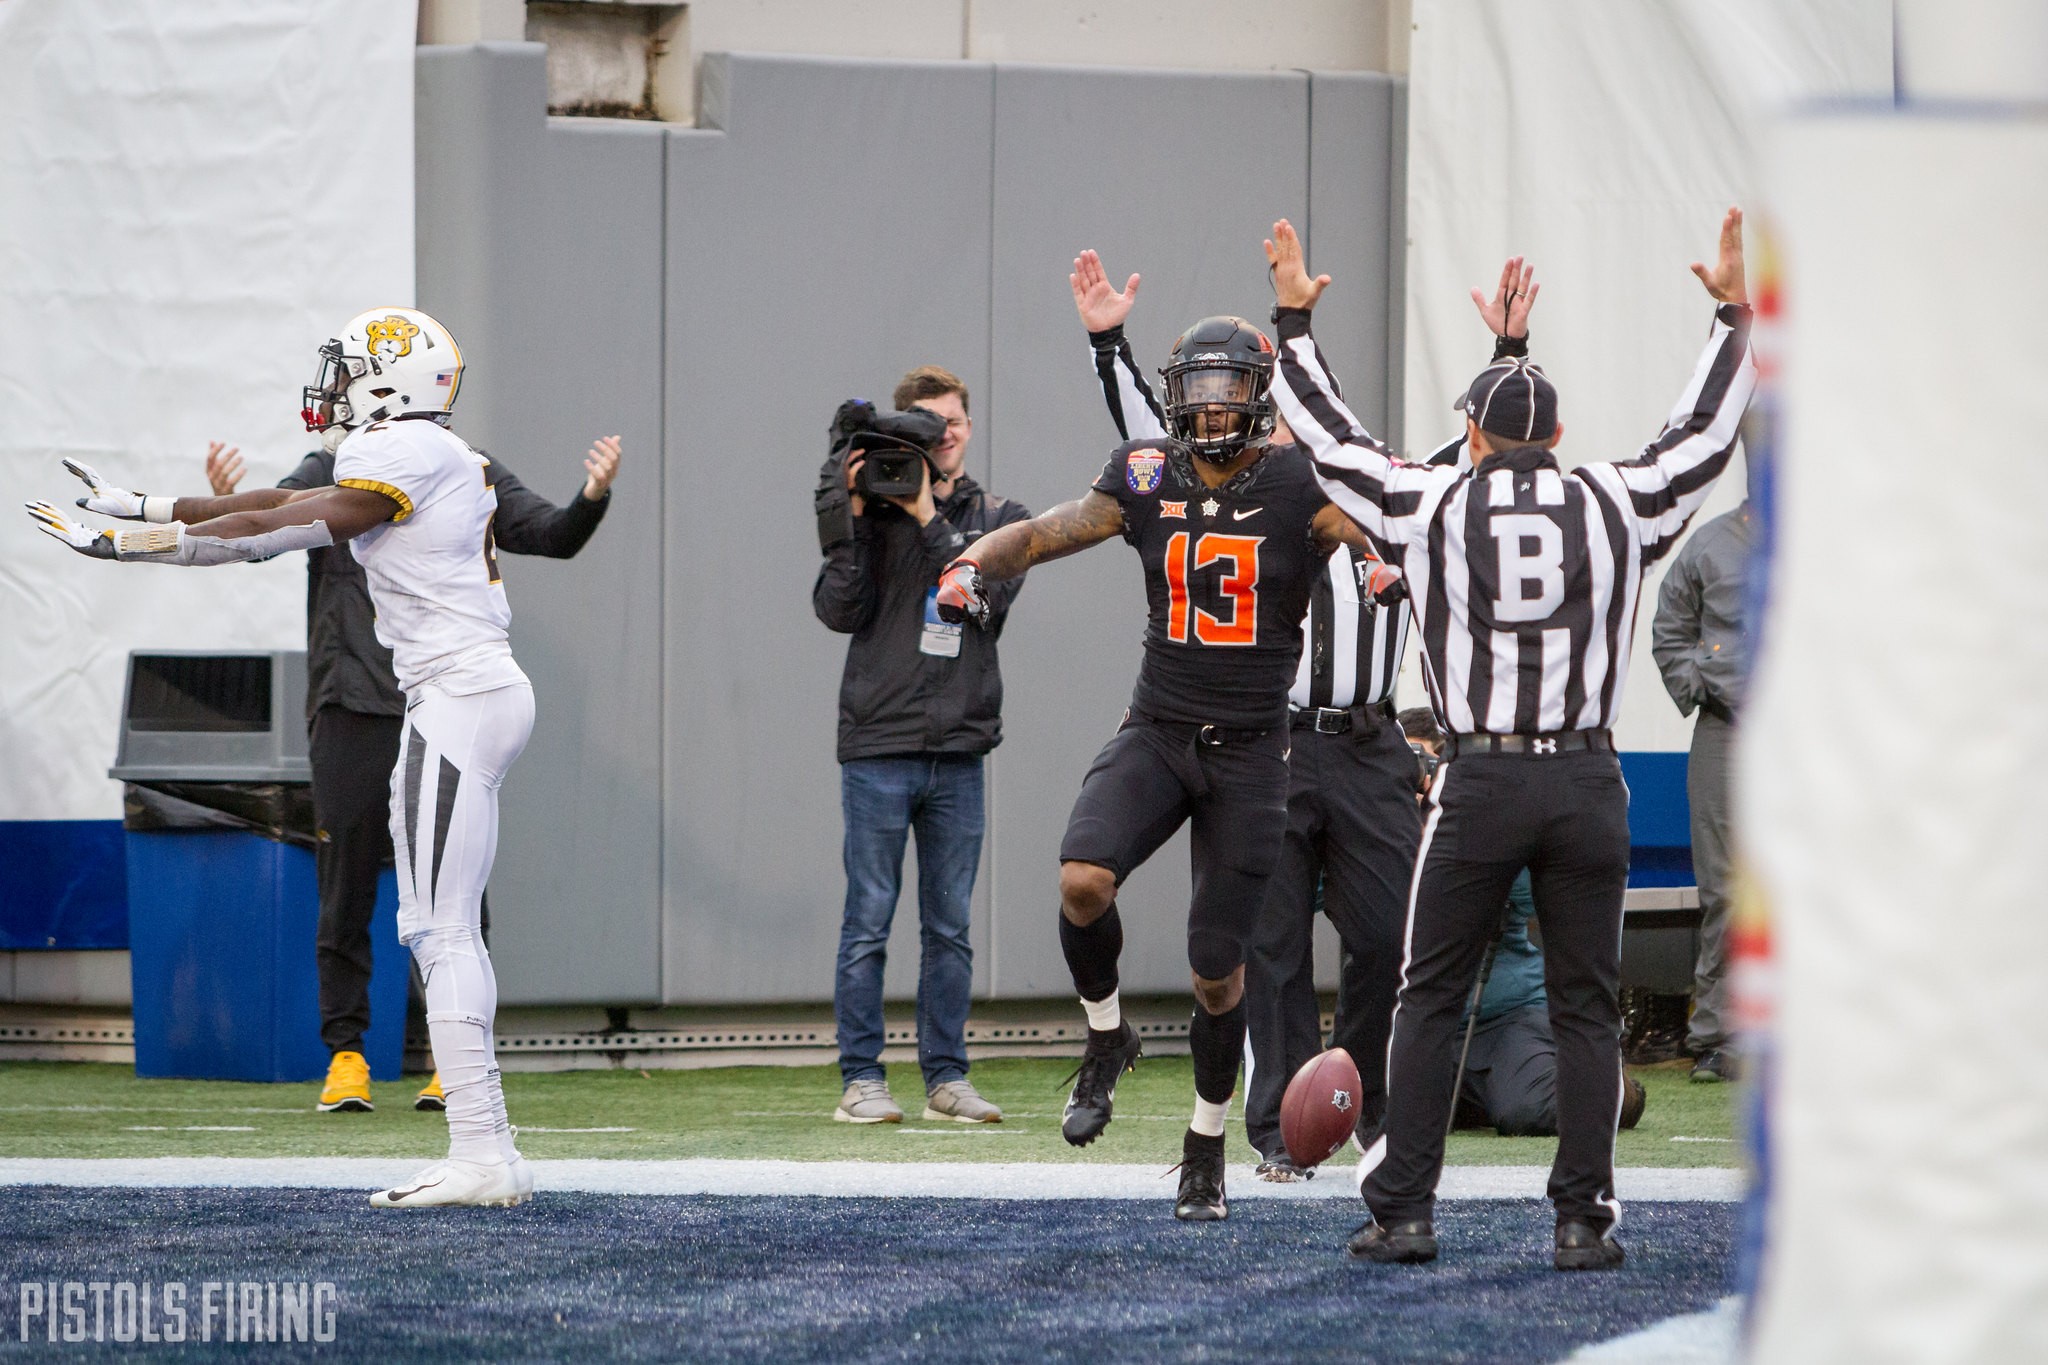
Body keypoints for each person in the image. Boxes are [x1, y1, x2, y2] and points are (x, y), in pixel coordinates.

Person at [1266, 209, 1753, 1269]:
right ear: (1559, 436)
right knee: (1585, 1006)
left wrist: (1294, 325)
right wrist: (1730, 318)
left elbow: (1331, 444)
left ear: (1476, 439)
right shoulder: (1611, 503)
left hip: (1480, 778)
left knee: (1430, 995)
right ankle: (1581, 1220)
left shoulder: (1435, 503)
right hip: (1584, 777)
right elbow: (1703, 441)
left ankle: (1404, 1210)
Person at [30, 306, 565, 1209]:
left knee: (439, 929)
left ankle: (482, 1153)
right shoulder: (431, 450)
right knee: (442, 926)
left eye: (349, 371)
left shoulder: (401, 451)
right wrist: (151, 504)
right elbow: (278, 505)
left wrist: (135, 545)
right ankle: (489, 1151)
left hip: (458, 696)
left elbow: (277, 530)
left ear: (389, 380)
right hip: (468, 693)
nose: (336, 387)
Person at [935, 293, 1380, 1223]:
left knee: (1217, 972)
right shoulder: (1146, 471)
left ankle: (1205, 1145)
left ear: (1259, 396)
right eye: (1199, 389)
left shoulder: (1301, 482)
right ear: (1176, 396)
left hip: (1252, 752)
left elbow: (1379, 526)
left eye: (1229, 389)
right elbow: (1049, 529)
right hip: (1159, 728)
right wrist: (971, 562)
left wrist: (1392, 561)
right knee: (1082, 878)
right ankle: (1107, 1037)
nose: (1212, 407)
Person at [1068, 250, 1420, 1182]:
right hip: (1277, 735)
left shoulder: (1352, 490)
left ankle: (1371, 1107)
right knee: (1267, 945)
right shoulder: (1228, 475)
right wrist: (1109, 345)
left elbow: (1450, 511)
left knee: (1385, 936)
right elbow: (1159, 445)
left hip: (1369, 736)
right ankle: (1278, 1128)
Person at [199, 424, 619, 1116]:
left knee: (456, 886)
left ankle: (456, 1057)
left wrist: (592, 495)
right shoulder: (334, 466)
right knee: (346, 881)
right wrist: (224, 502)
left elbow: (552, 533)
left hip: (442, 699)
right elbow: (267, 527)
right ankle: (347, 1053)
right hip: (351, 703)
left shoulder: (463, 465)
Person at [811, 366, 1028, 1126]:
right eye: (928, 426)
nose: (944, 436)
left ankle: (946, 1079)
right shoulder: (871, 510)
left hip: (959, 750)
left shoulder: (1000, 517)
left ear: (968, 429)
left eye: (953, 423)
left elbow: (984, 603)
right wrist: (850, 516)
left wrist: (929, 514)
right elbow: (837, 611)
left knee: (950, 927)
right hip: (877, 744)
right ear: (903, 435)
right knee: (867, 920)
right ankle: (861, 1079)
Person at [1650, 494, 1752, 1085]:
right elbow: (1670, 628)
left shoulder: (1834, 539)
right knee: (1725, 889)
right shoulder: (1710, 545)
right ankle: (1718, 1037)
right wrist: (1700, 684)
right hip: (1726, 732)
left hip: (1814, 733)